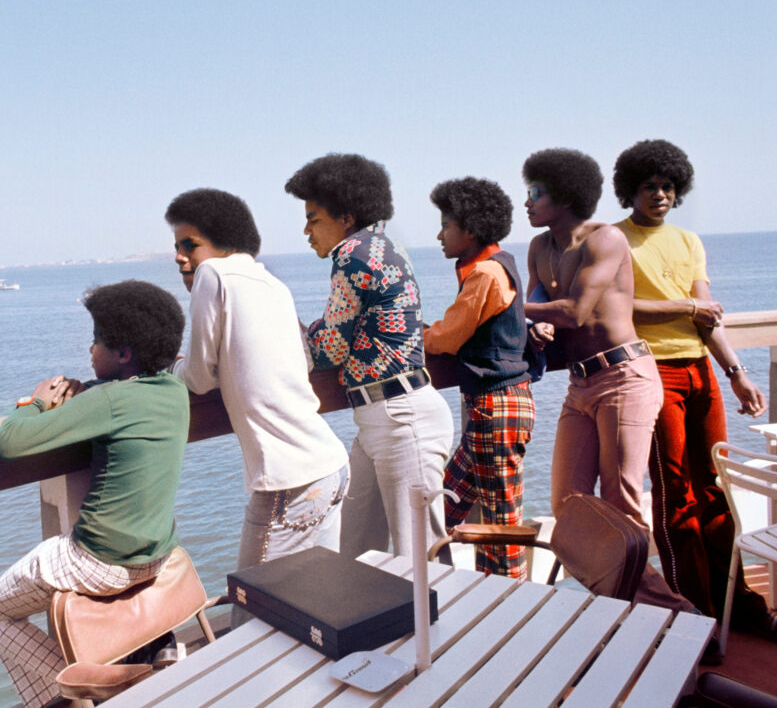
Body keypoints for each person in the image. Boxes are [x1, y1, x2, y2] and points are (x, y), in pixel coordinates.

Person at [613, 139, 777, 645]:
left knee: (715, 490)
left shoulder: (689, 241)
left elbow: (706, 314)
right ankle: (694, 618)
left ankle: (740, 605)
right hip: (651, 374)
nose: (660, 194)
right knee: (676, 498)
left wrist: (736, 370)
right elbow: (618, 309)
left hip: (700, 372)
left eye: (668, 186)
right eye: (649, 186)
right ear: (630, 190)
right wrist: (687, 308)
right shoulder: (614, 240)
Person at [0, 280, 189, 708]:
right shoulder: (174, 392)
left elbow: (9, 444)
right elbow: (121, 399)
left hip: (97, 560)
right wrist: (87, 388)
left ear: (123, 352)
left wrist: (33, 402)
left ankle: (90, 683)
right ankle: (76, 692)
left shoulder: (109, 401)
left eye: (96, 341)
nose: (90, 349)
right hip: (156, 556)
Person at [164, 189, 350, 591]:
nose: (180, 256)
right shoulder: (273, 285)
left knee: (254, 616)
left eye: (189, 245)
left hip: (291, 482)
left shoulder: (213, 275)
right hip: (331, 468)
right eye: (177, 247)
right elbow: (302, 361)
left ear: (223, 242)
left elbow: (198, 378)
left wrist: (171, 366)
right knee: (317, 602)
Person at [285, 153, 454, 559]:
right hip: (382, 419)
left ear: (345, 216)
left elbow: (329, 350)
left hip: (401, 420)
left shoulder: (353, 255)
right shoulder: (382, 245)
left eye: (313, 218)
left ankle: (445, 624)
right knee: (358, 548)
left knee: (423, 558)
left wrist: (287, 328)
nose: (305, 230)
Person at [520, 148, 663, 530]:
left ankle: (645, 594)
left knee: (621, 504)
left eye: (535, 194)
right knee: (567, 502)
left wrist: (506, 309)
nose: (526, 203)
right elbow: (540, 302)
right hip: (579, 384)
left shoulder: (605, 239)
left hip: (623, 378)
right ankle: (604, 590)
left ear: (566, 196)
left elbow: (574, 312)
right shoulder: (539, 247)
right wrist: (535, 324)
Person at [423, 177, 535, 579]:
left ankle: (508, 608)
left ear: (469, 228)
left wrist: (414, 335)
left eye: (445, 225)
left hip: (495, 408)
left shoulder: (486, 274)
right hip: (496, 408)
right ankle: (443, 587)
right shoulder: (500, 265)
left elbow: (448, 337)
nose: (439, 234)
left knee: (500, 527)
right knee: (443, 506)